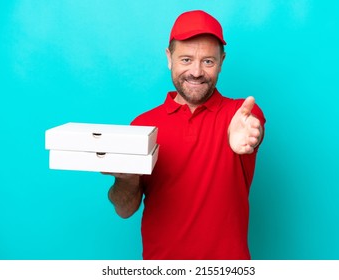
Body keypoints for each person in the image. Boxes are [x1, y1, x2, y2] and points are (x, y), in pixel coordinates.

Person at [105, 10, 266, 260]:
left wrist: (249, 136)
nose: (197, 72)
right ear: (169, 58)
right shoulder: (143, 125)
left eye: (208, 61)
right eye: (187, 59)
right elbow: (125, 210)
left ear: (222, 62)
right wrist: (125, 177)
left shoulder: (241, 114)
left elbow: (252, 129)